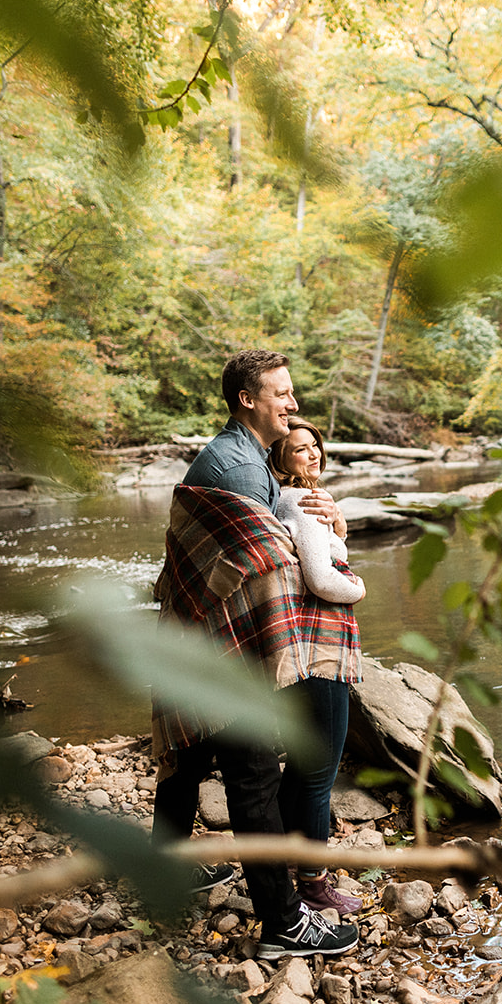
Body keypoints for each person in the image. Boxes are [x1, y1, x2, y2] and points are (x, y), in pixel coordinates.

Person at [151, 349, 360, 958]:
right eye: (283, 393)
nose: (293, 404)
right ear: (249, 399)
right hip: (223, 642)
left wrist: (320, 518)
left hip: (196, 632)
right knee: (252, 773)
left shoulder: (250, 460)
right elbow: (276, 565)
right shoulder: (237, 467)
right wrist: (332, 550)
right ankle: (283, 925)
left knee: (188, 756)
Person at [266, 416, 365, 914]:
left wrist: (340, 527)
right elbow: (323, 578)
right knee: (320, 768)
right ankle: (313, 880)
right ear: (280, 458)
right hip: (319, 640)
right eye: (300, 449)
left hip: (309, 638)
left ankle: (287, 861)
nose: (313, 454)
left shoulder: (300, 498)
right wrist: (360, 588)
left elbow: (323, 548)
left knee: (307, 764)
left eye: (316, 446)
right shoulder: (299, 499)